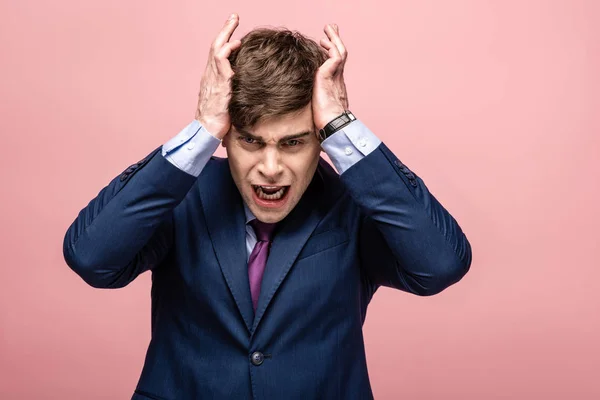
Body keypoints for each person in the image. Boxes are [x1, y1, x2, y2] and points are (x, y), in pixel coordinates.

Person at [63, 13, 472, 400]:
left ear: (320, 138)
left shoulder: (355, 203)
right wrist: (201, 129)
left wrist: (343, 127)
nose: (271, 169)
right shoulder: (181, 196)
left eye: (293, 142)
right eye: (251, 141)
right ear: (227, 135)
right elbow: (91, 258)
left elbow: (440, 265)